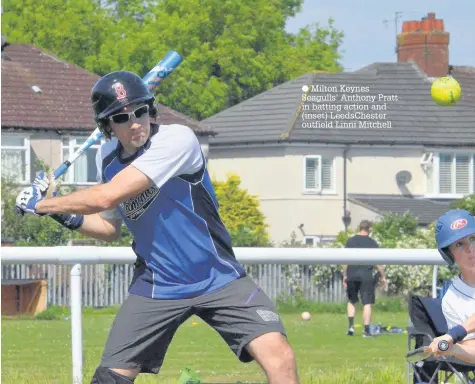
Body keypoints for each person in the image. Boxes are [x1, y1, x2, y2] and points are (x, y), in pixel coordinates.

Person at [14, 71, 299, 384]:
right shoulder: (107, 157)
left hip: (218, 276)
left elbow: (107, 195)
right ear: (108, 125)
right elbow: (110, 227)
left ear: (150, 109)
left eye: (140, 111)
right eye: (122, 118)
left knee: (281, 358)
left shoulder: (177, 140)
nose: (135, 122)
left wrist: (42, 204)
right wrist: (57, 211)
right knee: (109, 378)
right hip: (157, 284)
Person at [424, 209, 475, 363]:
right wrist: (454, 349)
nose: (470, 248)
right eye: (459, 244)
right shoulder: (451, 300)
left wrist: (454, 333)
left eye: (473, 238)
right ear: (449, 254)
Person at [342, 219, 388, 337]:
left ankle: (351, 328)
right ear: (369, 229)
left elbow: (345, 260)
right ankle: (366, 330)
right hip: (366, 275)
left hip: (352, 274)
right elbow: (378, 262)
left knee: (352, 300)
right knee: (367, 302)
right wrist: (383, 276)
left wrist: (344, 275)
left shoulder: (350, 241)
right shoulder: (372, 243)